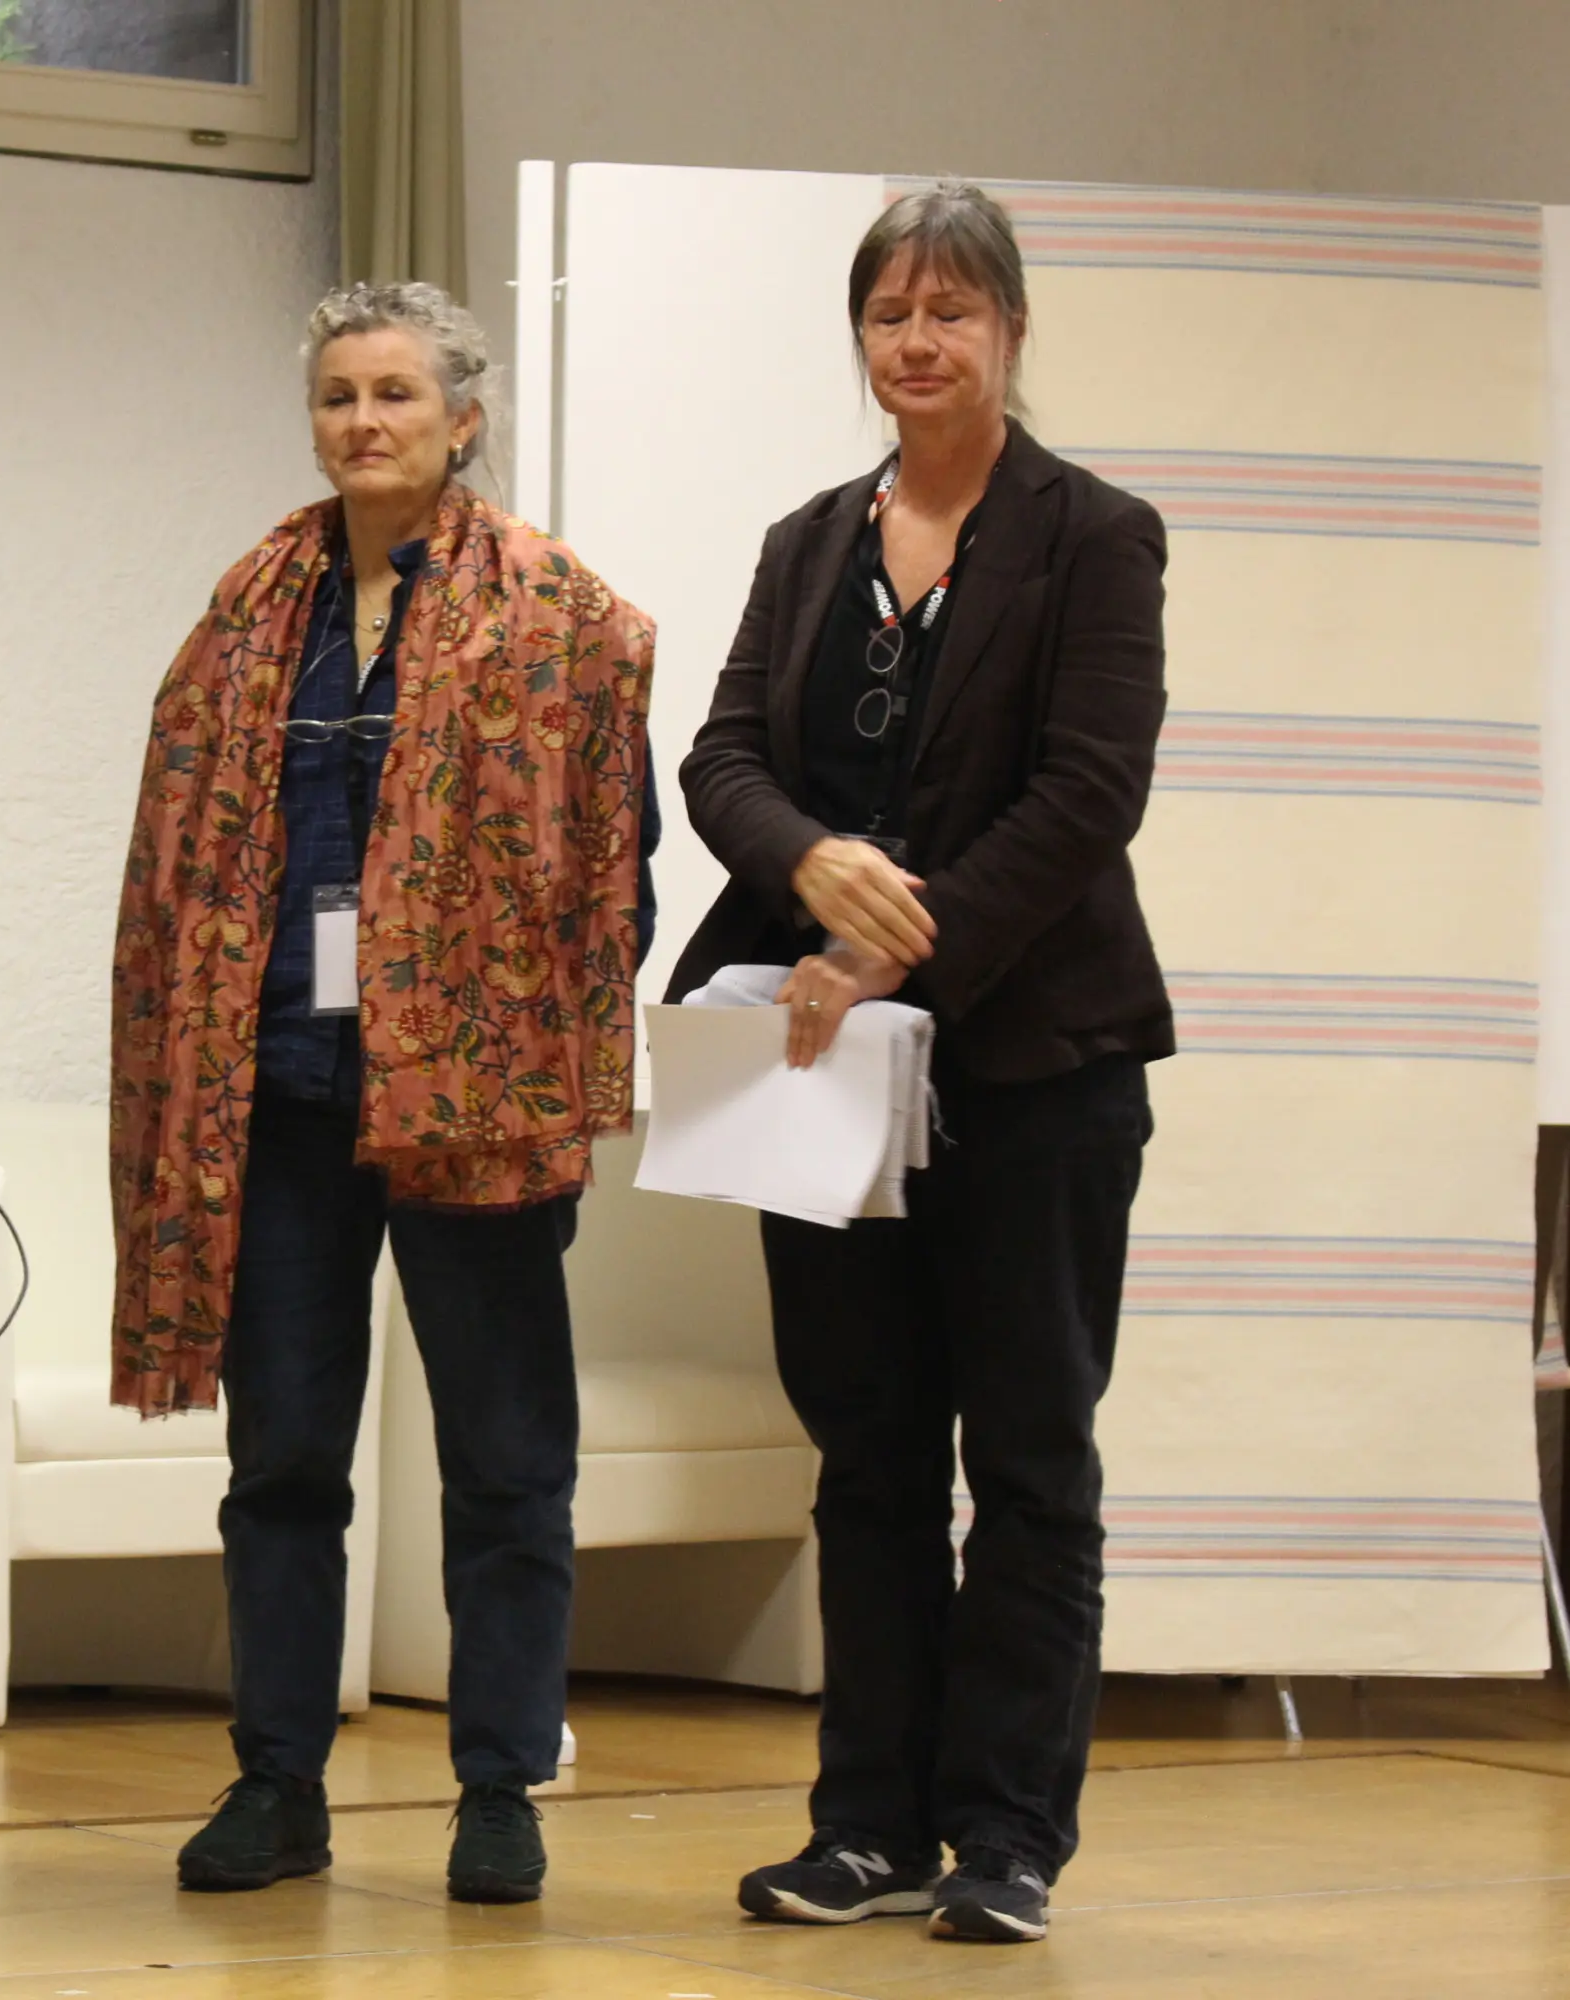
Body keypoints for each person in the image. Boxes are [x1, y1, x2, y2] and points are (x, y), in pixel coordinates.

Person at [110, 283, 657, 1907]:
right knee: (283, 1462)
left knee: (505, 1463)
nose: (365, 421)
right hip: (278, 1090)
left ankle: (501, 1789)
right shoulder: (250, 605)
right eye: (341, 394)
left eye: (398, 394)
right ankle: (275, 1781)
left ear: (461, 417)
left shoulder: (556, 607)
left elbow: (609, 843)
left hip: (475, 1094)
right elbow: (176, 837)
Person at [672, 182, 1170, 1946]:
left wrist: (897, 933)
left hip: (1037, 1061)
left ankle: (1009, 1836)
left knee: (1031, 1454)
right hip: (820, 1067)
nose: (921, 341)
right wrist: (802, 864)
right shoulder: (811, 539)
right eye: (892, 311)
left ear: (1012, 332)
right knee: (868, 1447)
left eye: (954, 309)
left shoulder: (1095, 534)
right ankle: (866, 1824)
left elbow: (1089, 793)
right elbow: (722, 755)